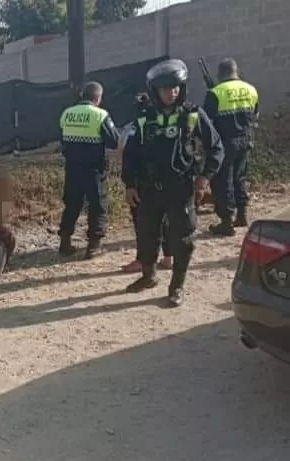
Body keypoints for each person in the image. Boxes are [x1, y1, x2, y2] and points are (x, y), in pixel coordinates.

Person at [122, 58, 225, 306]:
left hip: (181, 189)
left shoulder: (193, 115)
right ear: (155, 91)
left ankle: (176, 285)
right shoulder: (144, 118)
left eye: (176, 87)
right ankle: (149, 276)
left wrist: (205, 177)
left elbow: (216, 147)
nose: (172, 92)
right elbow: (131, 154)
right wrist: (130, 185)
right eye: (166, 88)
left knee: (183, 239)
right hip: (149, 190)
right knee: (146, 236)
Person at [57, 81, 120, 259]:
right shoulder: (100, 115)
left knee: (72, 204)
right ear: (98, 97)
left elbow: (62, 139)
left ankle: (64, 243)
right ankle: (94, 246)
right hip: (93, 168)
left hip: (72, 167)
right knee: (98, 205)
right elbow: (113, 141)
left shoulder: (67, 114)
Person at [203, 58, 260, 236]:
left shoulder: (216, 92)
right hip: (246, 139)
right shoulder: (251, 89)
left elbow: (207, 121)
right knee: (240, 177)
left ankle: (226, 222)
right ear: (237, 72)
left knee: (222, 181)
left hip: (226, 142)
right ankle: (242, 215)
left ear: (220, 75)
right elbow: (255, 115)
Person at [121, 92, 172, 273]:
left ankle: (142, 260)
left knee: (143, 223)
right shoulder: (170, 122)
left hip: (145, 182)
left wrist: (130, 184)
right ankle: (168, 257)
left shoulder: (137, 126)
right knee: (165, 219)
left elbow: (129, 156)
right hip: (168, 181)